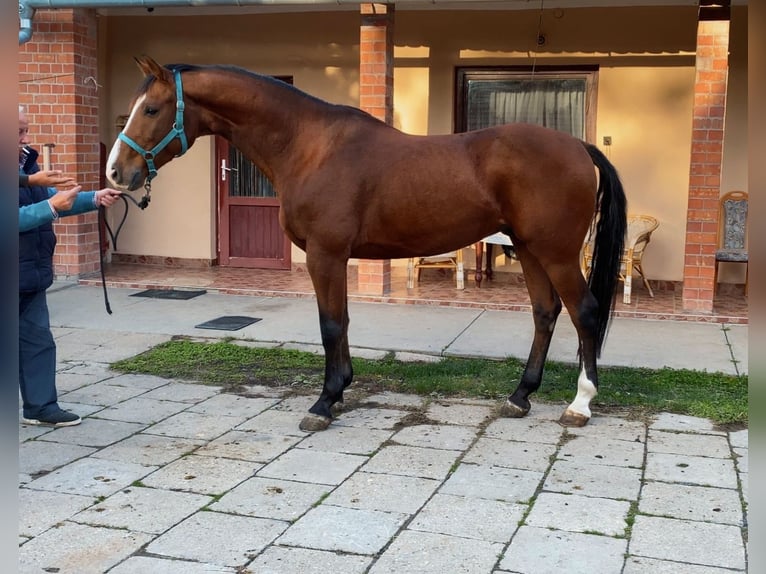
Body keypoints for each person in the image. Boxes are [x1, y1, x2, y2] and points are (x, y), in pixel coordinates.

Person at [19, 105, 122, 427]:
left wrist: (93, 198)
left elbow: (50, 198)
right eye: (17, 131)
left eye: (25, 129)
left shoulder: (26, 166)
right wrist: (49, 206)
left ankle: (40, 407)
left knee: (38, 342)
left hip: (29, 277)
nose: (26, 137)